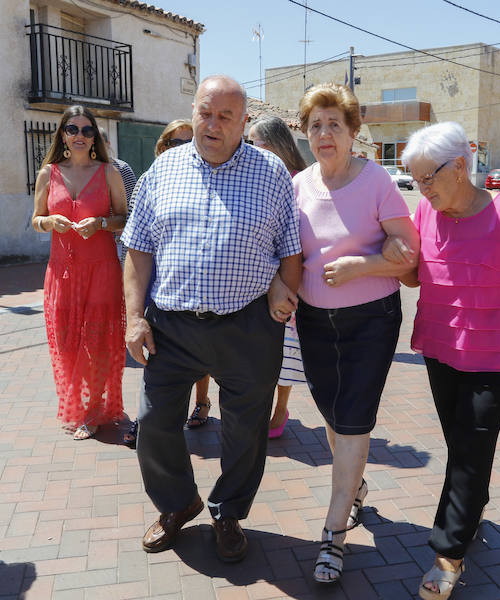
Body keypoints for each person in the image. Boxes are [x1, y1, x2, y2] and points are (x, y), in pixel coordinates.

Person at [121, 75, 301, 560]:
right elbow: (137, 249)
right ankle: (178, 505)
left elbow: (291, 247)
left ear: (244, 122)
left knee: (245, 428)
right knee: (155, 422)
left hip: (247, 323)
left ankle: (228, 513)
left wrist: (286, 285)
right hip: (171, 326)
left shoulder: (270, 173)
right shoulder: (163, 169)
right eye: (205, 112)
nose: (213, 124)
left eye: (225, 116)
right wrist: (133, 318)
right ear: (193, 112)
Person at [385, 121, 500, 600]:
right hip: (442, 353)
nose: (422, 189)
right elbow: (416, 277)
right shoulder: (426, 212)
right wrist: (394, 255)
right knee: (462, 448)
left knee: (469, 451)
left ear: (459, 167)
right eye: (415, 180)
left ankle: (448, 553)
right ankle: (471, 510)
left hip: (499, 359)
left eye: (428, 178)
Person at [281, 83, 419, 583]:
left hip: (370, 322)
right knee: (335, 419)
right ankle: (355, 487)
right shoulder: (299, 186)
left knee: (355, 420)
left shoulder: (377, 180)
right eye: (315, 125)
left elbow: (408, 254)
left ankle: (333, 535)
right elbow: (290, 253)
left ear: (353, 131)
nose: (323, 134)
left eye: (333, 124)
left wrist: (363, 265)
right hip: (314, 322)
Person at [31, 105, 128, 441]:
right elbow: (35, 220)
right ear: (62, 134)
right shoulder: (48, 174)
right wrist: (48, 222)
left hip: (102, 271)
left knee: (97, 343)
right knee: (67, 344)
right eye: (73, 129)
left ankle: (93, 409)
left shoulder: (109, 172)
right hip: (61, 273)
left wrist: (101, 224)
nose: (81, 136)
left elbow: (124, 219)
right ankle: (83, 402)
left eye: (88, 130)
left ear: (94, 137)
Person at [122, 119, 213, 449]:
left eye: (189, 142)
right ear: (162, 147)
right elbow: (135, 236)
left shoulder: (202, 178)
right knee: (155, 351)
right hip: (155, 281)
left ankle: (201, 402)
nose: (184, 149)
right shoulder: (149, 180)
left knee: (199, 349)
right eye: (176, 143)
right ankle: (149, 416)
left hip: (188, 285)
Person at [247, 116, 308, 438]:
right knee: (259, 352)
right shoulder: (255, 178)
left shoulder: (299, 180)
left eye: (253, 141)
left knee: (286, 349)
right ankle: (262, 407)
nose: (249, 148)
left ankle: (280, 408)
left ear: (270, 144)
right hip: (257, 280)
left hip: (290, 277)